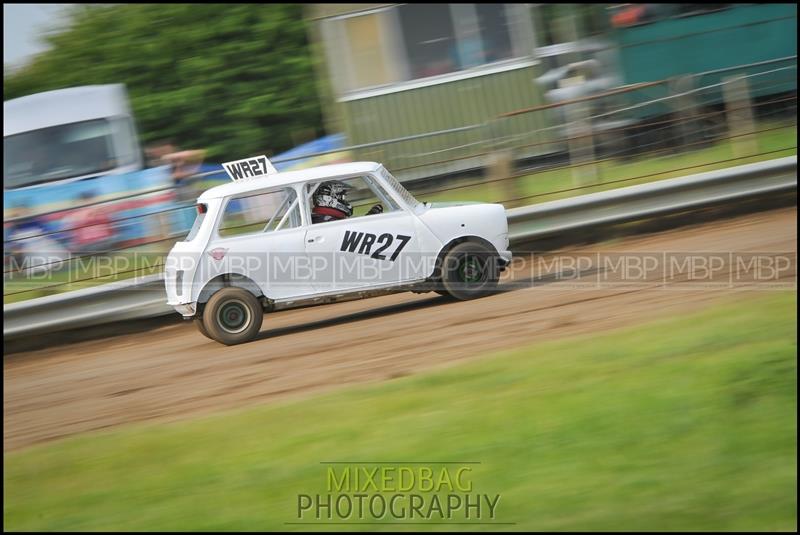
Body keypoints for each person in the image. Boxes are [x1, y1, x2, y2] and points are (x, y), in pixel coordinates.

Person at [311, 181, 383, 224]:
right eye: (342, 197)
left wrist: (370, 216)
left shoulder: (324, 217)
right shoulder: (326, 221)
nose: (345, 201)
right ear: (329, 198)